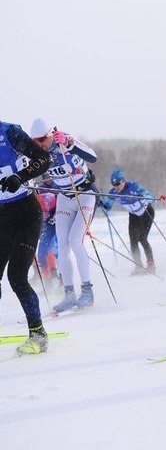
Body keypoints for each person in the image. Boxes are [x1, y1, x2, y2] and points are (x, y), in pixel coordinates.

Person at [29, 118, 98, 313]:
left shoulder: (65, 140)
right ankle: (69, 294)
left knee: (76, 240)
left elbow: (92, 157)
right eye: (35, 141)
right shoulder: (38, 154)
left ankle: (87, 291)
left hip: (84, 194)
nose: (39, 143)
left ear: (51, 134)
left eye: (42, 139)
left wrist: (70, 144)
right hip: (65, 198)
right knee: (61, 244)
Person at [0, 120, 52, 354]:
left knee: (17, 276)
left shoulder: (8, 132)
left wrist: (19, 177)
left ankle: (38, 335)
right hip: (2, 217)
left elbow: (44, 160)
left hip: (26, 213)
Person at [100, 169, 162, 275]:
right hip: (134, 216)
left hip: (146, 213)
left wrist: (149, 198)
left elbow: (150, 197)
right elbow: (108, 206)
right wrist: (102, 204)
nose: (116, 186)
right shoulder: (114, 192)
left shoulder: (134, 187)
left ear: (123, 181)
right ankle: (138, 266)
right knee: (133, 242)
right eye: (113, 184)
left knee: (142, 239)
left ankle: (151, 264)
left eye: (118, 184)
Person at [35, 174, 59, 285]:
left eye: (50, 176)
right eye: (45, 177)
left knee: (56, 249)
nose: (48, 179)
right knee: (41, 252)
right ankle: (47, 280)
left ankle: (62, 279)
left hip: (58, 222)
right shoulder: (39, 188)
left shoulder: (58, 185)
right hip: (46, 224)